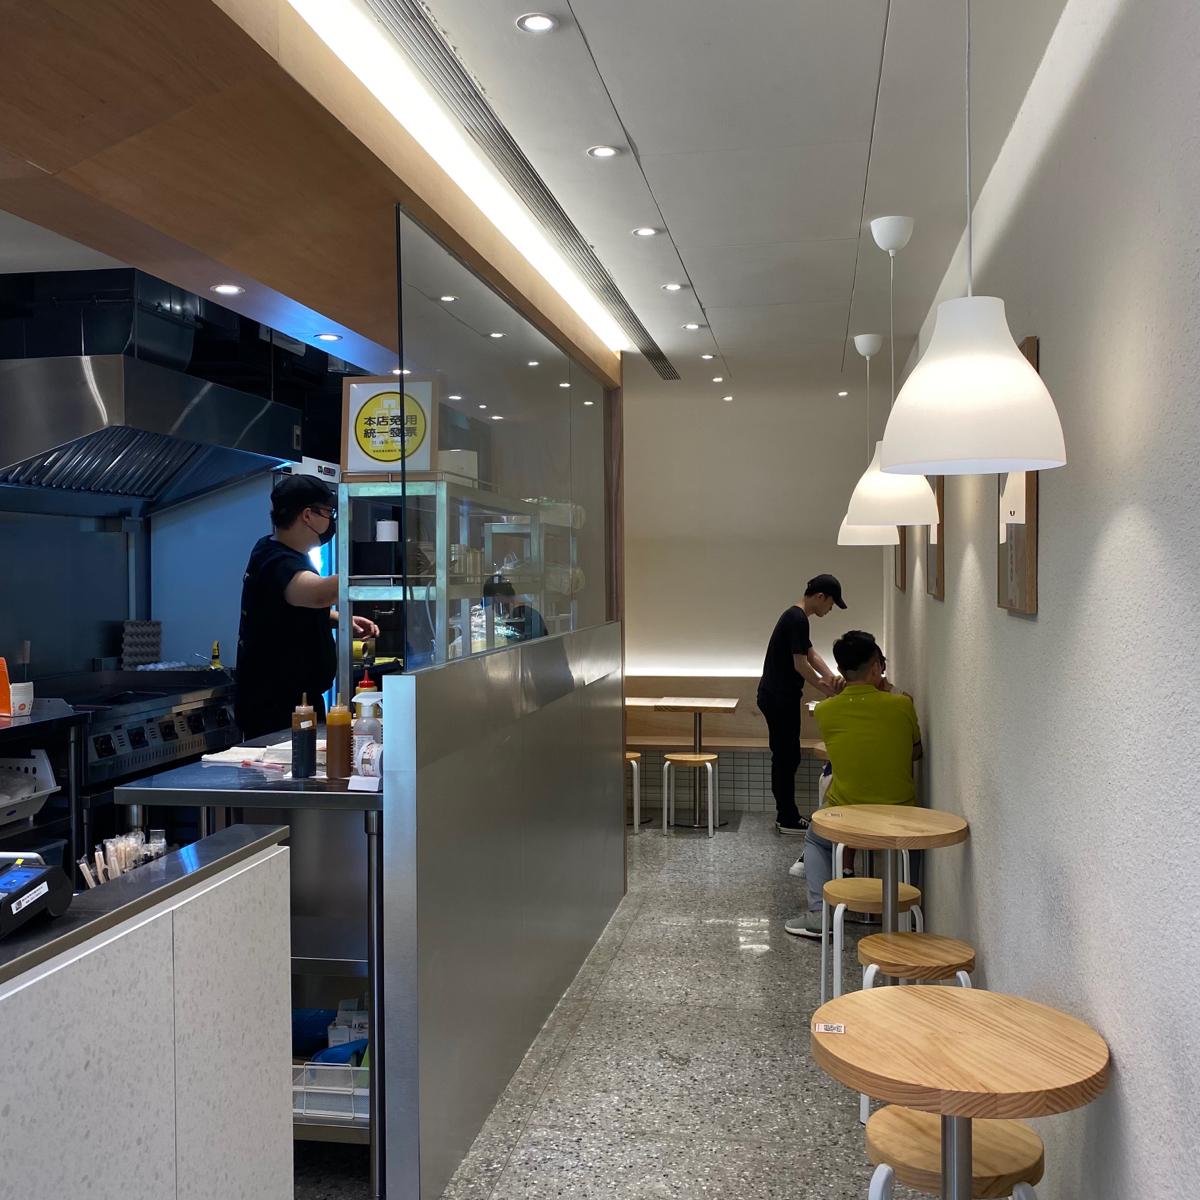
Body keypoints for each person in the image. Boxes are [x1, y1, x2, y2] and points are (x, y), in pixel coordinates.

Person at [785, 630, 923, 938]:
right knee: (912, 839)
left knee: (815, 840)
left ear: (840, 670)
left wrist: (836, 694)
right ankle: (907, 912)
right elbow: (916, 751)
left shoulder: (826, 710)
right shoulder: (902, 705)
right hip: (899, 811)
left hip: (847, 812)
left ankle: (819, 915)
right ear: (876, 667)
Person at [235, 474, 378, 740]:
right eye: (328, 512)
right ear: (308, 515)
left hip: (298, 702)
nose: (331, 520)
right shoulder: (275, 560)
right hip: (275, 709)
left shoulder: (278, 551)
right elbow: (316, 594)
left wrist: (338, 618)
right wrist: (373, 571)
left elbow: (290, 610)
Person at [757, 574, 847, 835]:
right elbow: (800, 664)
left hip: (778, 696)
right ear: (820, 597)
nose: (830, 610)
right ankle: (786, 817)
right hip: (778, 697)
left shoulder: (796, 617)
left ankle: (787, 814)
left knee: (787, 755)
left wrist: (831, 677)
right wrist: (826, 688)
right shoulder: (797, 618)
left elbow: (810, 654)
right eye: (831, 604)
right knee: (786, 756)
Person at [482, 574, 548, 642]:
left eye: (489, 601)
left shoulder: (519, 616)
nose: (490, 607)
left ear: (498, 597)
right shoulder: (527, 612)